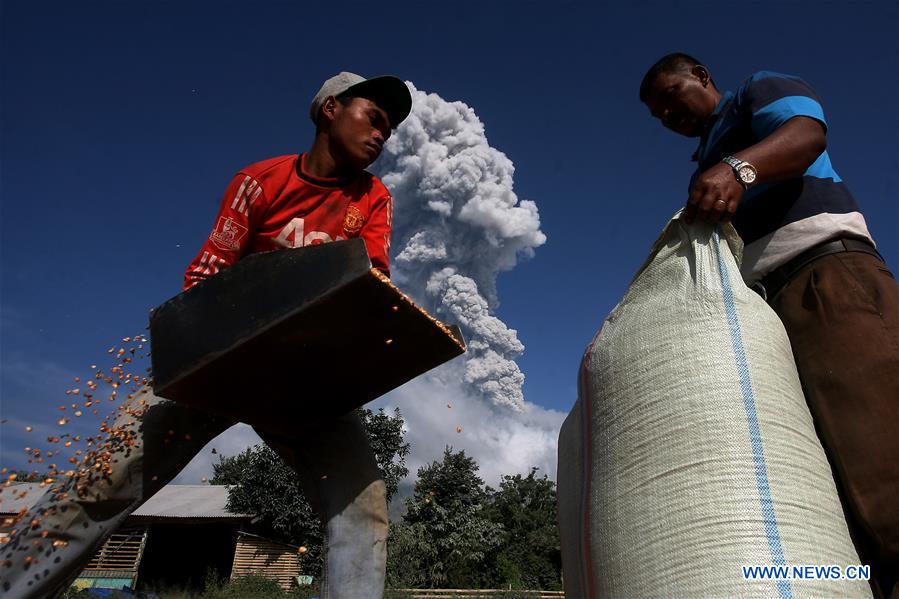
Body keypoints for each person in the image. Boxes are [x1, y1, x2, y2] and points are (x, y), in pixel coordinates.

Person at [0, 71, 412, 599]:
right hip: (220, 359)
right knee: (101, 482)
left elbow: (370, 279)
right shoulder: (259, 181)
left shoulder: (373, 197)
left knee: (364, 504)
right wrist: (228, 335)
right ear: (331, 109)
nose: (382, 135)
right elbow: (205, 278)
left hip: (307, 378)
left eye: (391, 130)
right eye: (374, 118)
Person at [640, 53, 899, 598]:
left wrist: (739, 168)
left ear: (703, 77)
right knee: (832, 492)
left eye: (671, 95)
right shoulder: (704, 166)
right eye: (657, 112)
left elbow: (806, 135)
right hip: (769, 312)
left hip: (824, 278)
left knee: (879, 459)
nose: (667, 113)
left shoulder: (755, 92)